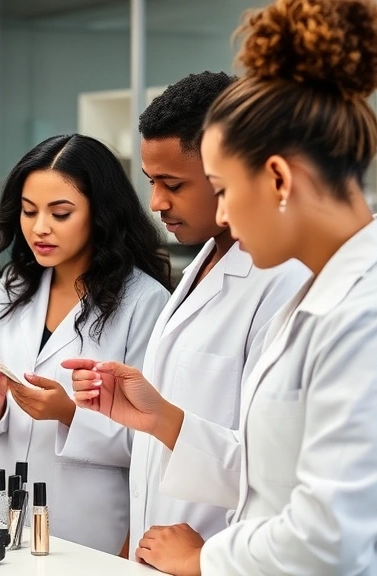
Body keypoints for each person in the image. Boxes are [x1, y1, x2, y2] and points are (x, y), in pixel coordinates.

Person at [71, 1, 377, 574]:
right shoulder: (325, 295)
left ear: (277, 179)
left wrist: (205, 558)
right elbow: (272, 472)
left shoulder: (376, 314)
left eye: (222, 187)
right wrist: (163, 418)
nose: (225, 214)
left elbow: (326, 538)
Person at [65, 72, 310, 559]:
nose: (156, 203)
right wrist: (134, 531)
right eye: (152, 182)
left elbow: (281, 470)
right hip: (158, 550)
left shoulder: (283, 281)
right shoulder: (202, 258)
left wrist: (212, 556)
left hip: (218, 553)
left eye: (173, 184)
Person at [0, 134, 171, 552]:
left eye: (60, 213)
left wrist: (68, 414)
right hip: (0, 508)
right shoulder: (12, 286)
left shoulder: (144, 301)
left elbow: (152, 436)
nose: (39, 228)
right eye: (28, 211)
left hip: (86, 520)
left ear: (100, 214)